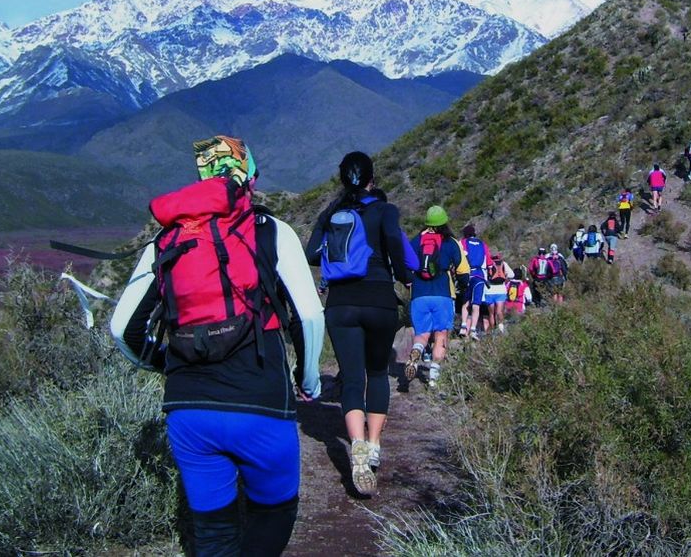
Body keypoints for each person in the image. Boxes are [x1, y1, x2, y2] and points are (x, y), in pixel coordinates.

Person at [110, 135, 324, 556]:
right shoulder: (270, 231)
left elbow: (123, 328)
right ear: (249, 175)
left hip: (189, 410)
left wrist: (168, 363)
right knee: (275, 513)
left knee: (212, 533)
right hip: (261, 403)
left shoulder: (168, 240)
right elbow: (309, 316)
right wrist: (308, 378)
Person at [306, 151, 412, 497]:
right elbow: (396, 245)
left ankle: (357, 447)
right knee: (378, 373)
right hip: (380, 300)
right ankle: (374, 441)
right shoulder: (385, 210)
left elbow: (311, 254)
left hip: (341, 305)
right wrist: (404, 276)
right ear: (372, 178)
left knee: (352, 377)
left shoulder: (333, 213)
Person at [406, 205, 461, 388]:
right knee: (441, 335)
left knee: (422, 334)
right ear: (445, 222)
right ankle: (433, 378)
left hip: (419, 294)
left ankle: (416, 350)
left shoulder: (415, 241)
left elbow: (404, 264)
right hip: (442, 294)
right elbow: (463, 269)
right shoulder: (450, 242)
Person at [459, 224, 491, 340]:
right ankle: (473, 330)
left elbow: (459, 256)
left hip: (467, 274)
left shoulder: (463, 242)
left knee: (466, 302)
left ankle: (463, 327)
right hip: (480, 276)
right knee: (476, 304)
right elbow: (488, 262)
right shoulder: (483, 244)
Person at [483, 252, 514, 335]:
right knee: (499, 312)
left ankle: (493, 331)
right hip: (501, 290)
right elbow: (512, 275)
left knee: (491, 314)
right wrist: (505, 279)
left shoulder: (487, 264)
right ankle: (501, 328)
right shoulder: (503, 264)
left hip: (489, 291)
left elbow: (484, 277)